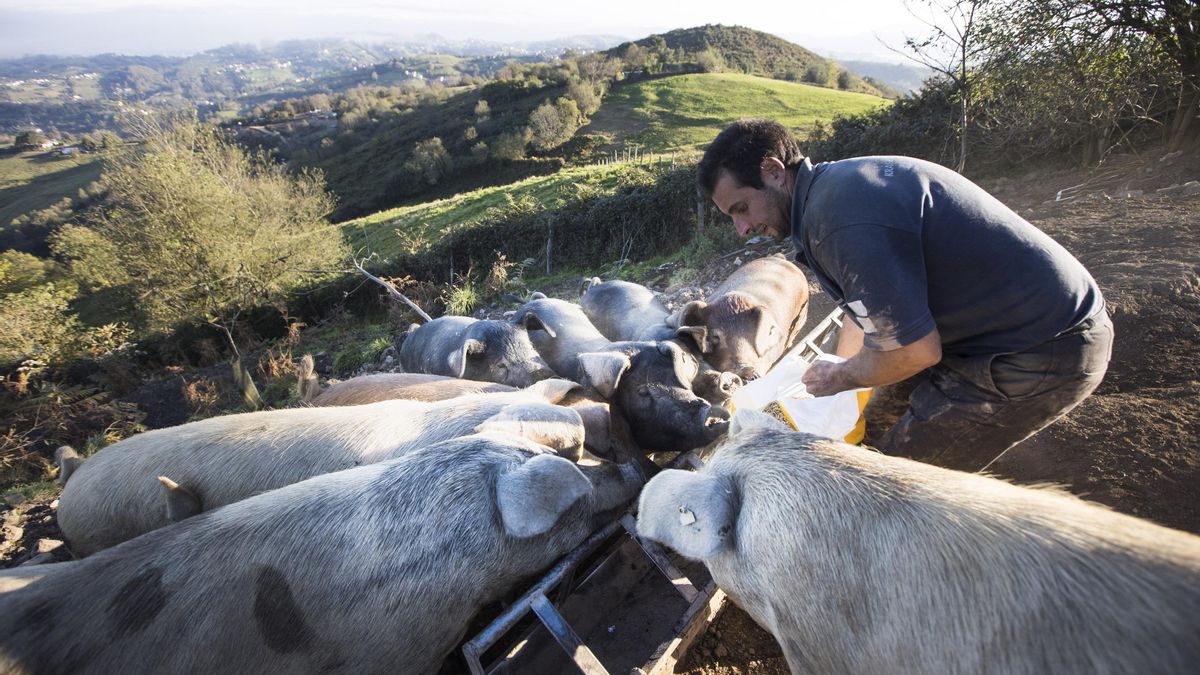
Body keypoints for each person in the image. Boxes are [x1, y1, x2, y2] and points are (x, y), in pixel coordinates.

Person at [697, 118, 1113, 472]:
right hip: (995, 332)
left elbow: (914, 351)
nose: (743, 229)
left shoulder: (839, 221)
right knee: (871, 428)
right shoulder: (830, 195)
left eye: (741, 209)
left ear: (773, 170)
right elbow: (868, 312)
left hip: (1041, 349)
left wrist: (841, 376)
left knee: (887, 484)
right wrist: (846, 372)